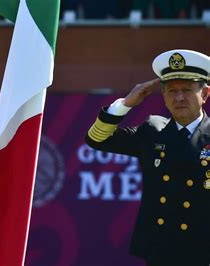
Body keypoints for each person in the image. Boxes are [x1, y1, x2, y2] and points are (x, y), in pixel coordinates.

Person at [85, 49, 210, 265]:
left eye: (187, 90)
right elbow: (97, 139)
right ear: (163, 95)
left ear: (205, 94)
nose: (179, 97)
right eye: (172, 91)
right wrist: (125, 105)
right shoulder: (152, 129)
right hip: (160, 249)